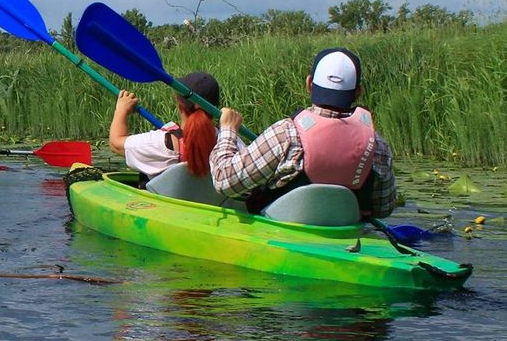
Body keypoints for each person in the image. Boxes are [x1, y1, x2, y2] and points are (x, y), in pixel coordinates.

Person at [210, 47, 396, 219]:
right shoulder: (377, 146)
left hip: (281, 235)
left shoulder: (285, 134)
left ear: (309, 84)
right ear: (358, 92)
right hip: (347, 238)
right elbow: (383, 209)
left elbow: (223, 182)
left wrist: (227, 130)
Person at [109, 71, 221, 184]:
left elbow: (116, 143)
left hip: (164, 200)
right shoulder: (228, 141)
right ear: (215, 108)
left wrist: (121, 110)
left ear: (179, 103)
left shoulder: (161, 144)